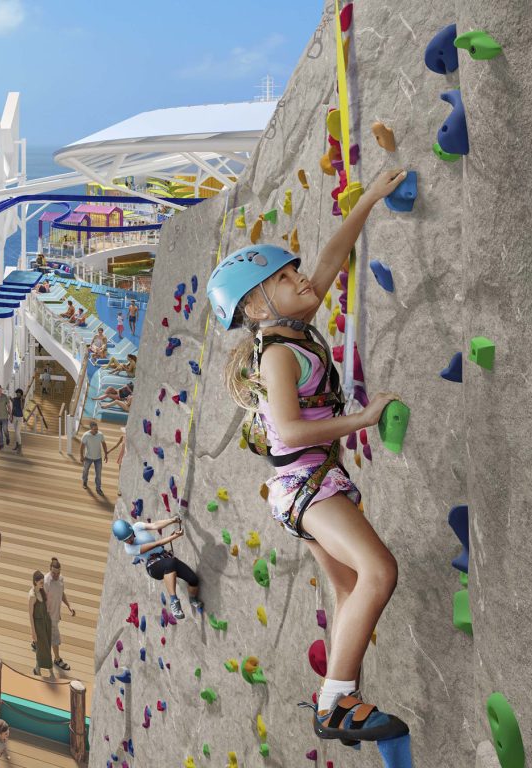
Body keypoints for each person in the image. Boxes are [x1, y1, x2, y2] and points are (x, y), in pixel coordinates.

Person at [205, 168, 409, 744]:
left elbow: (332, 257)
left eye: (293, 271)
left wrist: (367, 198)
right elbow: (290, 431)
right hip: (306, 482)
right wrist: (363, 419)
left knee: (349, 590)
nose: (302, 279)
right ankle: (336, 703)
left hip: (306, 483)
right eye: (286, 275)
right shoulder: (276, 355)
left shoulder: (293, 329)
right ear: (257, 302)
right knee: (379, 572)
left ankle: (342, 700)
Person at [113, 517, 201, 621]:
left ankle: (192, 599)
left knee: (193, 580)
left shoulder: (137, 526)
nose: (129, 540)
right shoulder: (129, 549)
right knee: (170, 563)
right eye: (125, 540)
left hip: (165, 557)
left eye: (129, 536)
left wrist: (172, 520)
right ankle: (174, 601)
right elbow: (156, 544)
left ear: (131, 529)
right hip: (153, 566)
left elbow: (155, 525)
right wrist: (173, 537)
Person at [44, 558, 76, 671]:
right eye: (54, 573)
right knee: (55, 638)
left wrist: (68, 606)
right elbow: (42, 600)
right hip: (49, 616)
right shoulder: (46, 582)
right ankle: (57, 659)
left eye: (58, 573)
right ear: (49, 570)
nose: (56, 575)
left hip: (56, 614)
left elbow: (61, 594)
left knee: (47, 634)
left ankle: (36, 642)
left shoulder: (61, 579)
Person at [28, 570, 53, 676]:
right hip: (38, 625)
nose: (43, 584)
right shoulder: (32, 595)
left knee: (47, 645)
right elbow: (30, 615)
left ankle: (43, 667)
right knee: (42, 647)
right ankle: (42, 669)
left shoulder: (42, 591)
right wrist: (33, 632)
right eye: (41, 582)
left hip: (46, 621)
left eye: (43, 582)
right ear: (35, 582)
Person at [79, 420, 108, 495]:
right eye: (95, 429)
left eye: (97, 429)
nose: (96, 431)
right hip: (88, 457)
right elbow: (82, 447)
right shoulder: (86, 435)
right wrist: (81, 456)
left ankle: (98, 488)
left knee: (98, 474)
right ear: (91, 429)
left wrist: (106, 454)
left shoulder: (100, 434)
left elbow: (104, 444)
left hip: (98, 458)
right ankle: (84, 482)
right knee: (85, 471)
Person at [10, 388, 25, 453]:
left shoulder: (22, 399)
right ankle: (17, 445)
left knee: (17, 432)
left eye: (19, 392)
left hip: (19, 418)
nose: (18, 393)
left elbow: (22, 408)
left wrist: (21, 400)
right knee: (16, 432)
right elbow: (13, 407)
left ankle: (20, 448)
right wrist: (11, 416)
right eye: (17, 392)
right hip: (14, 417)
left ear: (21, 393)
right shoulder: (15, 399)